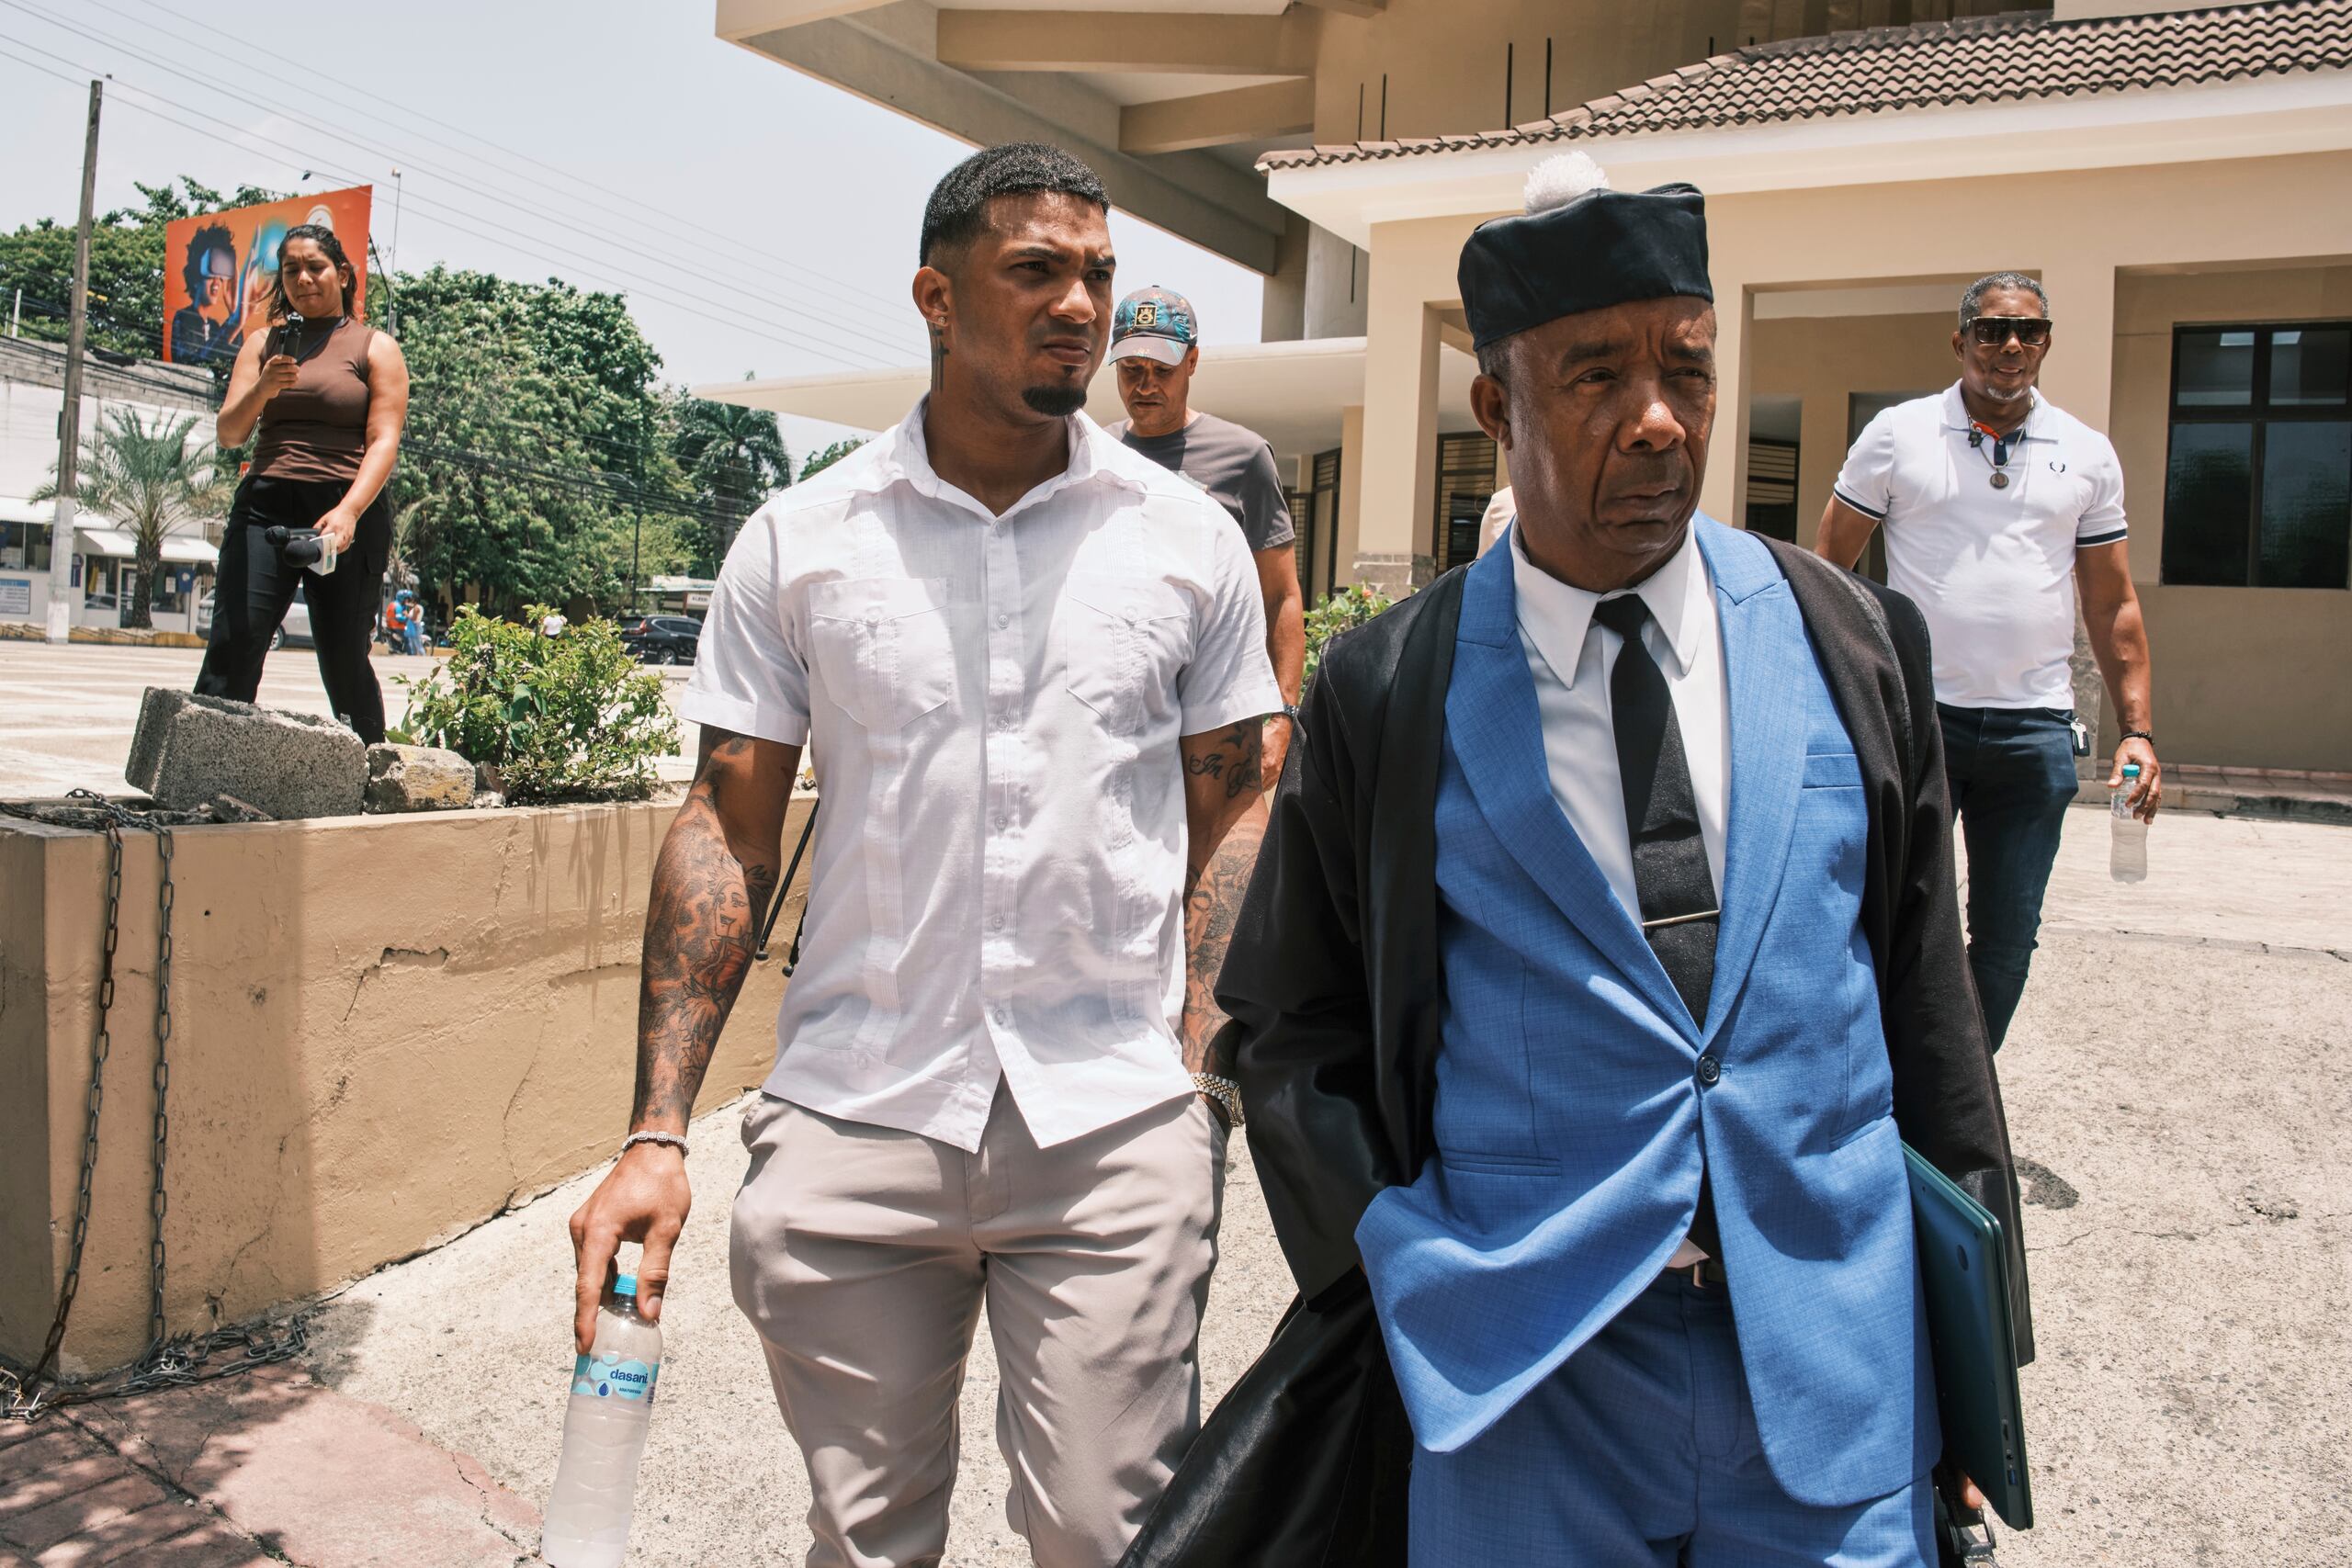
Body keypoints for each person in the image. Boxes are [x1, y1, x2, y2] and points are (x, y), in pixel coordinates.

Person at [1123, 153, 2031, 1568]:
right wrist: (1414, 1281)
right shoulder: (1389, 689)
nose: (1661, 418)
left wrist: (1978, 1371)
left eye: (1689, 365)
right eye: (1599, 376)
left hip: (1832, 1372)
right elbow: (1288, 1031)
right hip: (1528, 1395)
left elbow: (1930, 1003)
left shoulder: (1852, 640)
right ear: (1499, 406)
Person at [567, 142, 1282, 1568]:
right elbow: (728, 817)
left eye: (1097, 274)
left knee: (1111, 1528)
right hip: (857, 1109)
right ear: (936, 297)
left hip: (1110, 1124)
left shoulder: (1187, 540)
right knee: (864, 1528)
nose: (1078, 305)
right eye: (1036, 271)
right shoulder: (804, 539)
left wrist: (1200, 1066)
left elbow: (1240, 793)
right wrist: (657, 1130)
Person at [1815, 273, 2158, 1051]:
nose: (2011, 345)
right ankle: (1879, 1091)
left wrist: (2136, 729)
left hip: (2033, 732)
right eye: (1993, 329)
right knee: (1887, 916)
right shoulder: (1899, 434)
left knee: (2006, 941)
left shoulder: (2086, 452)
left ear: (2046, 342)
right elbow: (1831, 570)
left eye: (2029, 331)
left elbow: (2113, 604)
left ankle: (1951, 1109)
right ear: (1960, 338)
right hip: (1918, 723)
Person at [198, 224, 408, 743]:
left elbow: (383, 440)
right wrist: (264, 387)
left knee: (342, 655)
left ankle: (369, 766)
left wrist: (350, 512)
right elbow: (230, 433)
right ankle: (203, 767)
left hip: (342, 512)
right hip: (266, 506)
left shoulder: (375, 348)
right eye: (291, 269)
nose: (303, 278)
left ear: (341, 274)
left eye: (314, 266)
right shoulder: (262, 344)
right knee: (236, 640)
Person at [1105, 286, 1306, 787]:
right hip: (1116, 713)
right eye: (1131, 369)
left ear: (1192, 362)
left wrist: (1282, 717)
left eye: (1163, 370)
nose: (1145, 385)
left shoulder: (1243, 456)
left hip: (1216, 713)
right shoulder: (1092, 455)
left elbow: (1280, 595)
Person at [169, 224, 241, 368]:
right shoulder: (183, 317)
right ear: (196, 279)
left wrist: (235, 314)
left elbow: (236, 359)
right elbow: (187, 360)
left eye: (220, 277)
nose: (217, 282)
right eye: (210, 275)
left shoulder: (214, 326)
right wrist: (233, 322)